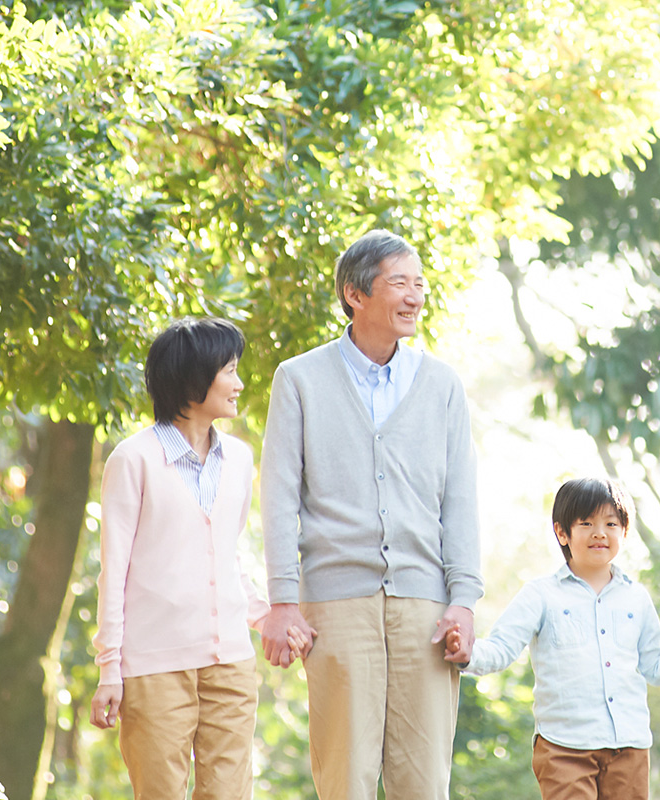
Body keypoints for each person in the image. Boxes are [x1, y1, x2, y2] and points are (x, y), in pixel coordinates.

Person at [257, 229, 481, 800]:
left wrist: (463, 600)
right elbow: (279, 497)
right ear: (355, 296)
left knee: (424, 781)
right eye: (399, 283)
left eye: (420, 284)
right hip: (335, 606)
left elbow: (459, 499)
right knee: (344, 777)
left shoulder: (442, 385)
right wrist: (283, 600)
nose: (414, 296)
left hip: (424, 607)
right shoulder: (299, 379)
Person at [89, 316, 294, 800]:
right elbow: (113, 572)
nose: (239, 383)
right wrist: (109, 668)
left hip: (231, 664)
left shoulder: (240, 459)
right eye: (229, 370)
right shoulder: (132, 459)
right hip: (154, 668)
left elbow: (228, 555)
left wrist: (265, 617)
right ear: (192, 377)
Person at [447, 477, 660, 800]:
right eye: (586, 523)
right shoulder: (540, 595)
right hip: (564, 748)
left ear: (624, 532)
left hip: (628, 748)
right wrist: (466, 652)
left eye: (611, 523)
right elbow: (502, 648)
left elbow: (656, 668)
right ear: (562, 532)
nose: (600, 532)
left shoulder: (637, 598)